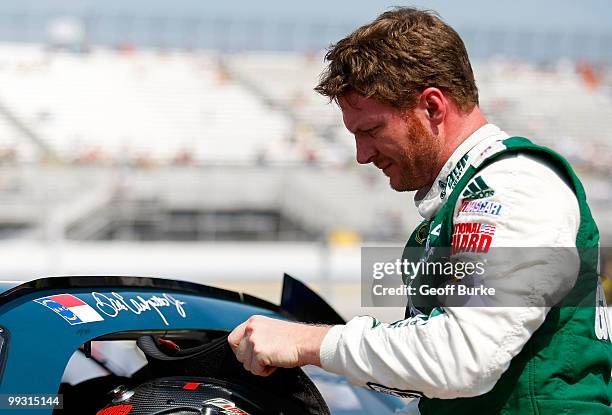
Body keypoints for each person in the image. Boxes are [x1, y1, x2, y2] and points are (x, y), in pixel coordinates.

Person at [228, 8, 612, 414]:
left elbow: (463, 358)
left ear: (432, 107)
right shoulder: (465, 195)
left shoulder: (512, 188)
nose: (362, 155)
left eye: (371, 131)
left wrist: (306, 343)